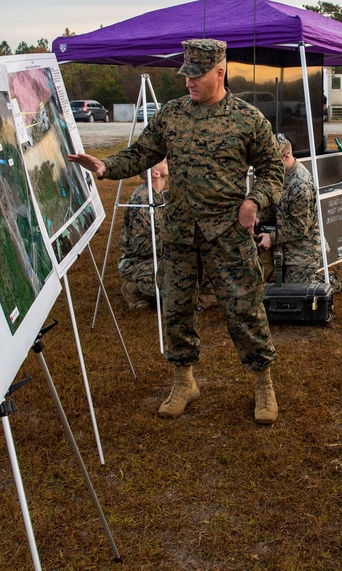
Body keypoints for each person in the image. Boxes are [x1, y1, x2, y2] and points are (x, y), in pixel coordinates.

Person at [68, 39, 285, 424]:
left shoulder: (248, 119)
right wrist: (104, 166)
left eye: (196, 75)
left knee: (244, 309)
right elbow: (141, 153)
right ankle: (184, 381)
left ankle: (262, 382)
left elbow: (273, 170)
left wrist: (254, 202)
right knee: (177, 309)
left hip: (227, 233)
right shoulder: (171, 114)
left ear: (220, 72)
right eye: (185, 74)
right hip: (180, 233)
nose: (188, 82)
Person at [255, 134, 342, 292]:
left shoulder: (300, 185)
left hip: (303, 248)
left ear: (286, 157)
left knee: (294, 291)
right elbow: (275, 205)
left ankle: (340, 280)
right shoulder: (280, 176)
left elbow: (299, 228)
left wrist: (271, 238)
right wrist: (257, 216)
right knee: (276, 280)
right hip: (285, 242)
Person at [118, 159, 169, 310]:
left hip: (157, 256)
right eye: (163, 162)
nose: (168, 161)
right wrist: (175, 240)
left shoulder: (157, 193)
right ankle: (134, 288)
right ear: (155, 173)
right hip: (138, 262)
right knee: (179, 287)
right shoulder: (144, 202)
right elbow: (140, 246)